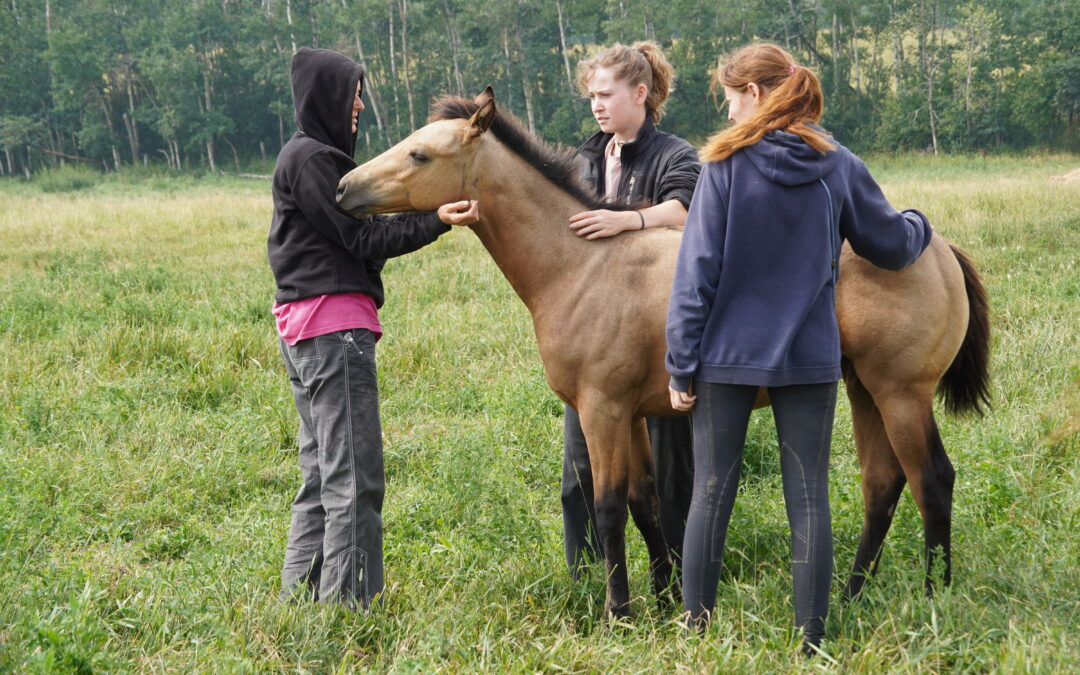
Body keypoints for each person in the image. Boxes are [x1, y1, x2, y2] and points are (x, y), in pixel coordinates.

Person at [665, 43, 933, 652]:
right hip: (810, 358)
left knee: (711, 490)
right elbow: (890, 244)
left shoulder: (725, 165)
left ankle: (697, 632)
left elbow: (696, 272)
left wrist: (680, 362)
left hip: (725, 356)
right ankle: (811, 641)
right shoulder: (838, 164)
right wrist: (919, 222)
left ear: (755, 94)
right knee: (809, 495)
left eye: (731, 98)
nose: (729, 112)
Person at [267, 47, 477, 608]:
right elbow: (362, 240)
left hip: (308, 330)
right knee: (355, 481)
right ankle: (347, 611)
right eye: (353, 92)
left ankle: (299, 603)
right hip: (333, 332)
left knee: (320, 478)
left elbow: (359, 234)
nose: (359, 103)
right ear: (327, 97)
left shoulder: (308, 156)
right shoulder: (315, 161)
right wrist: (436, 222)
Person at [561, 41, 701, 573]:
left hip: (659, 331)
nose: (596, 105)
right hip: (598, 336)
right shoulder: (585, 156)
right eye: (591, 95)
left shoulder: (675, 153)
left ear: (639, 93)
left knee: (670, 469)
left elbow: (688, 210)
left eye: (605, 94)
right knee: (582, 465)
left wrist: (630, 219)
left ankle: (680, 571)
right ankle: (589, 573)